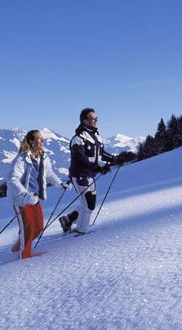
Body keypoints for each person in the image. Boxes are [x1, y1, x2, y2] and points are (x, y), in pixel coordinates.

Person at [58, 108, 124, 235]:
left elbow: (101, 153)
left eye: (96, 118)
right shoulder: (78, 139)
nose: (96, 120)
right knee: (88, 205)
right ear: (84, 120)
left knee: (88, 203)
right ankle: (82, 231)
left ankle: (68, 220)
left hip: (89, 175)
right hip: (80, 175)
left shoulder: (95, 136)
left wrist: (115, 160)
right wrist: (97, 167)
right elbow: (80, 158)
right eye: (93, 118)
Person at [7, 129, 70, 259]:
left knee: (38, 228)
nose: (42, 141)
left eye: (42, 138)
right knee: (28, 229)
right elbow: (12, 180)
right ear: (30, 141)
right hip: (20, 199)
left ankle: (17, 247)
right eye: (38, 138)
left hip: (35, 198)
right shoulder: (22, 159)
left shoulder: (44, 157)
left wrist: (60, 184)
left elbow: (49, 174)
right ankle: (25, 258)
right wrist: (25, 195)